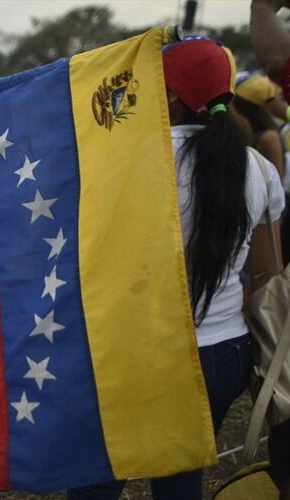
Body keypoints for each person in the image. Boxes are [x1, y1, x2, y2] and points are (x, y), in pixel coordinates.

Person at [68, 37, 285, 500]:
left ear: (166, 95)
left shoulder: (121, 162)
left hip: (135, 351)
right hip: (223, 353)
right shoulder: (258, 168)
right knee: (181, 478)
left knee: (99, 475)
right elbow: (266, 273)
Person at [234, 74, 285, 179]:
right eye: (279, 97)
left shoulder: (243, 134)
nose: (284, 102)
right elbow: (277, 182)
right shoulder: (269, 138)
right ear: (263, 104)